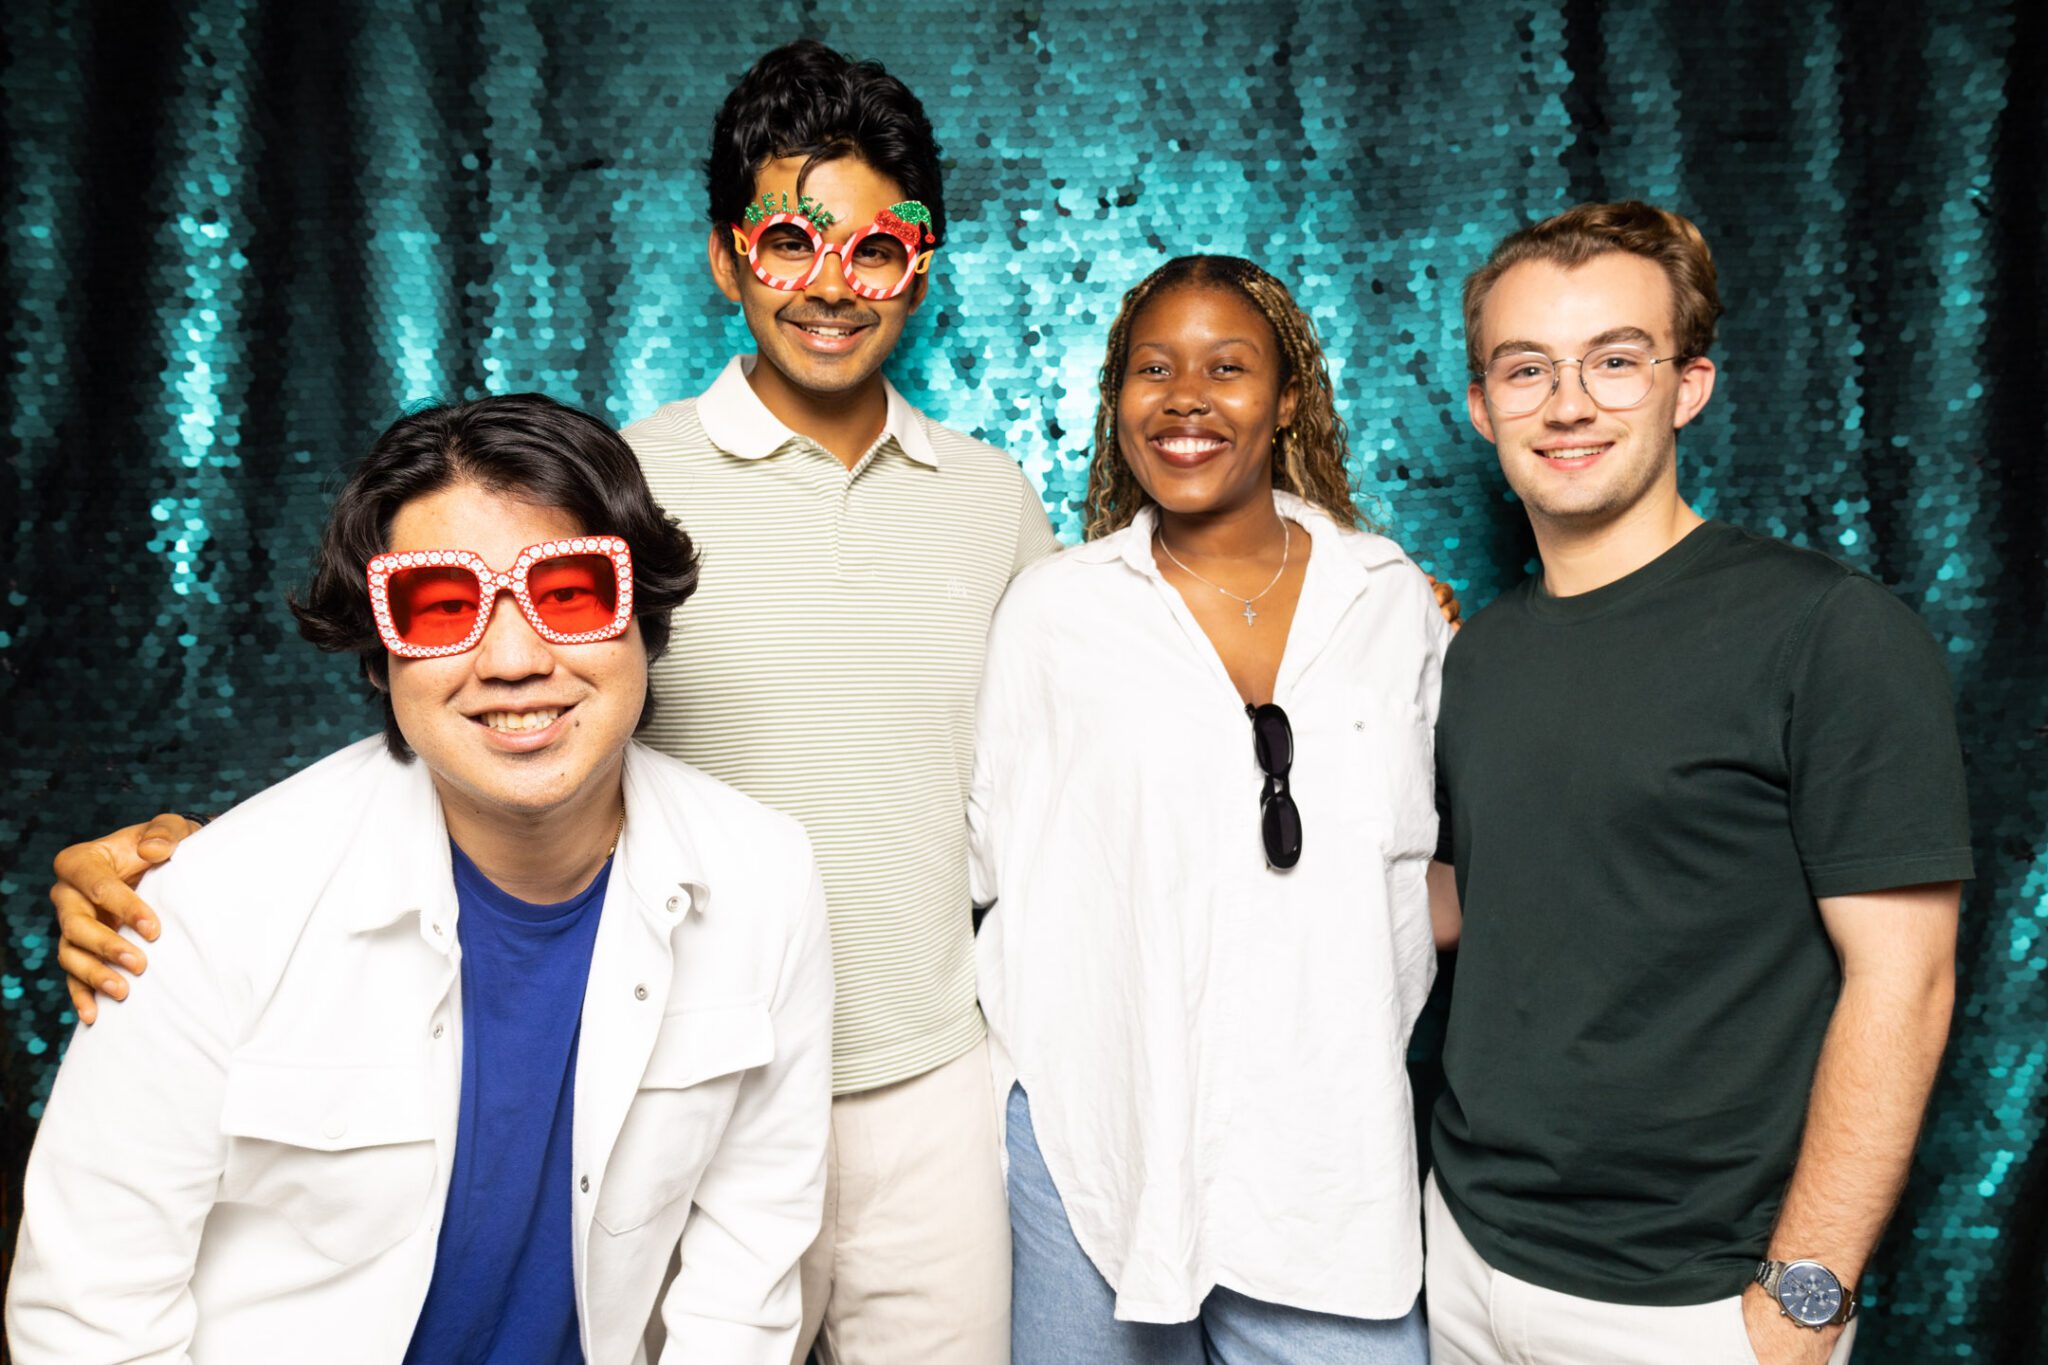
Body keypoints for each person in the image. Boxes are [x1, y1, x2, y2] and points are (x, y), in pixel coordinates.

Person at [45, 42, 1052, 1363]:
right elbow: (467, 696)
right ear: (724, 258)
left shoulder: (994, 501)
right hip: (670, 1071)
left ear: (919, 265)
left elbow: (1053, 777)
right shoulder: (611, 488)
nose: (827, 284)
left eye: (873, 249)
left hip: (920, 1075)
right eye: (786, 241)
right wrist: (190, 883)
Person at [7, 395, 833, 1361]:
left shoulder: (767, 876)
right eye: (442, 607)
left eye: (569, 594)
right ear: (379, 652)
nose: (514, 660)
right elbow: (92, 1312)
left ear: (641, 619)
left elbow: (747, 1268)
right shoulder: (209, 905)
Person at [1425, 202, 1972, 1365]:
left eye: (1614, 361)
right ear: (1480, 407)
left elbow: (1906, 981)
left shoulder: (1827, 632)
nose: (1566, 404)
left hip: (1696, 1303)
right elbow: (1482, 900)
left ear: (1688, 386)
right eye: (1526, 369)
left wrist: (1802, 1301)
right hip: (1462, 1260)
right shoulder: (1477, 654)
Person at [971, 255, 1447, 1363]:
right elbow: (988, 860)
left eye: (1227, 368)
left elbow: (1416, 859)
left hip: (1327, 1157)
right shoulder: (1055, 611)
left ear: (1286, 401)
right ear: (1116, 400)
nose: (1185, 397)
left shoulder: (1388, 599)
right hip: (1100, 1134)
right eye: (1153, 369)